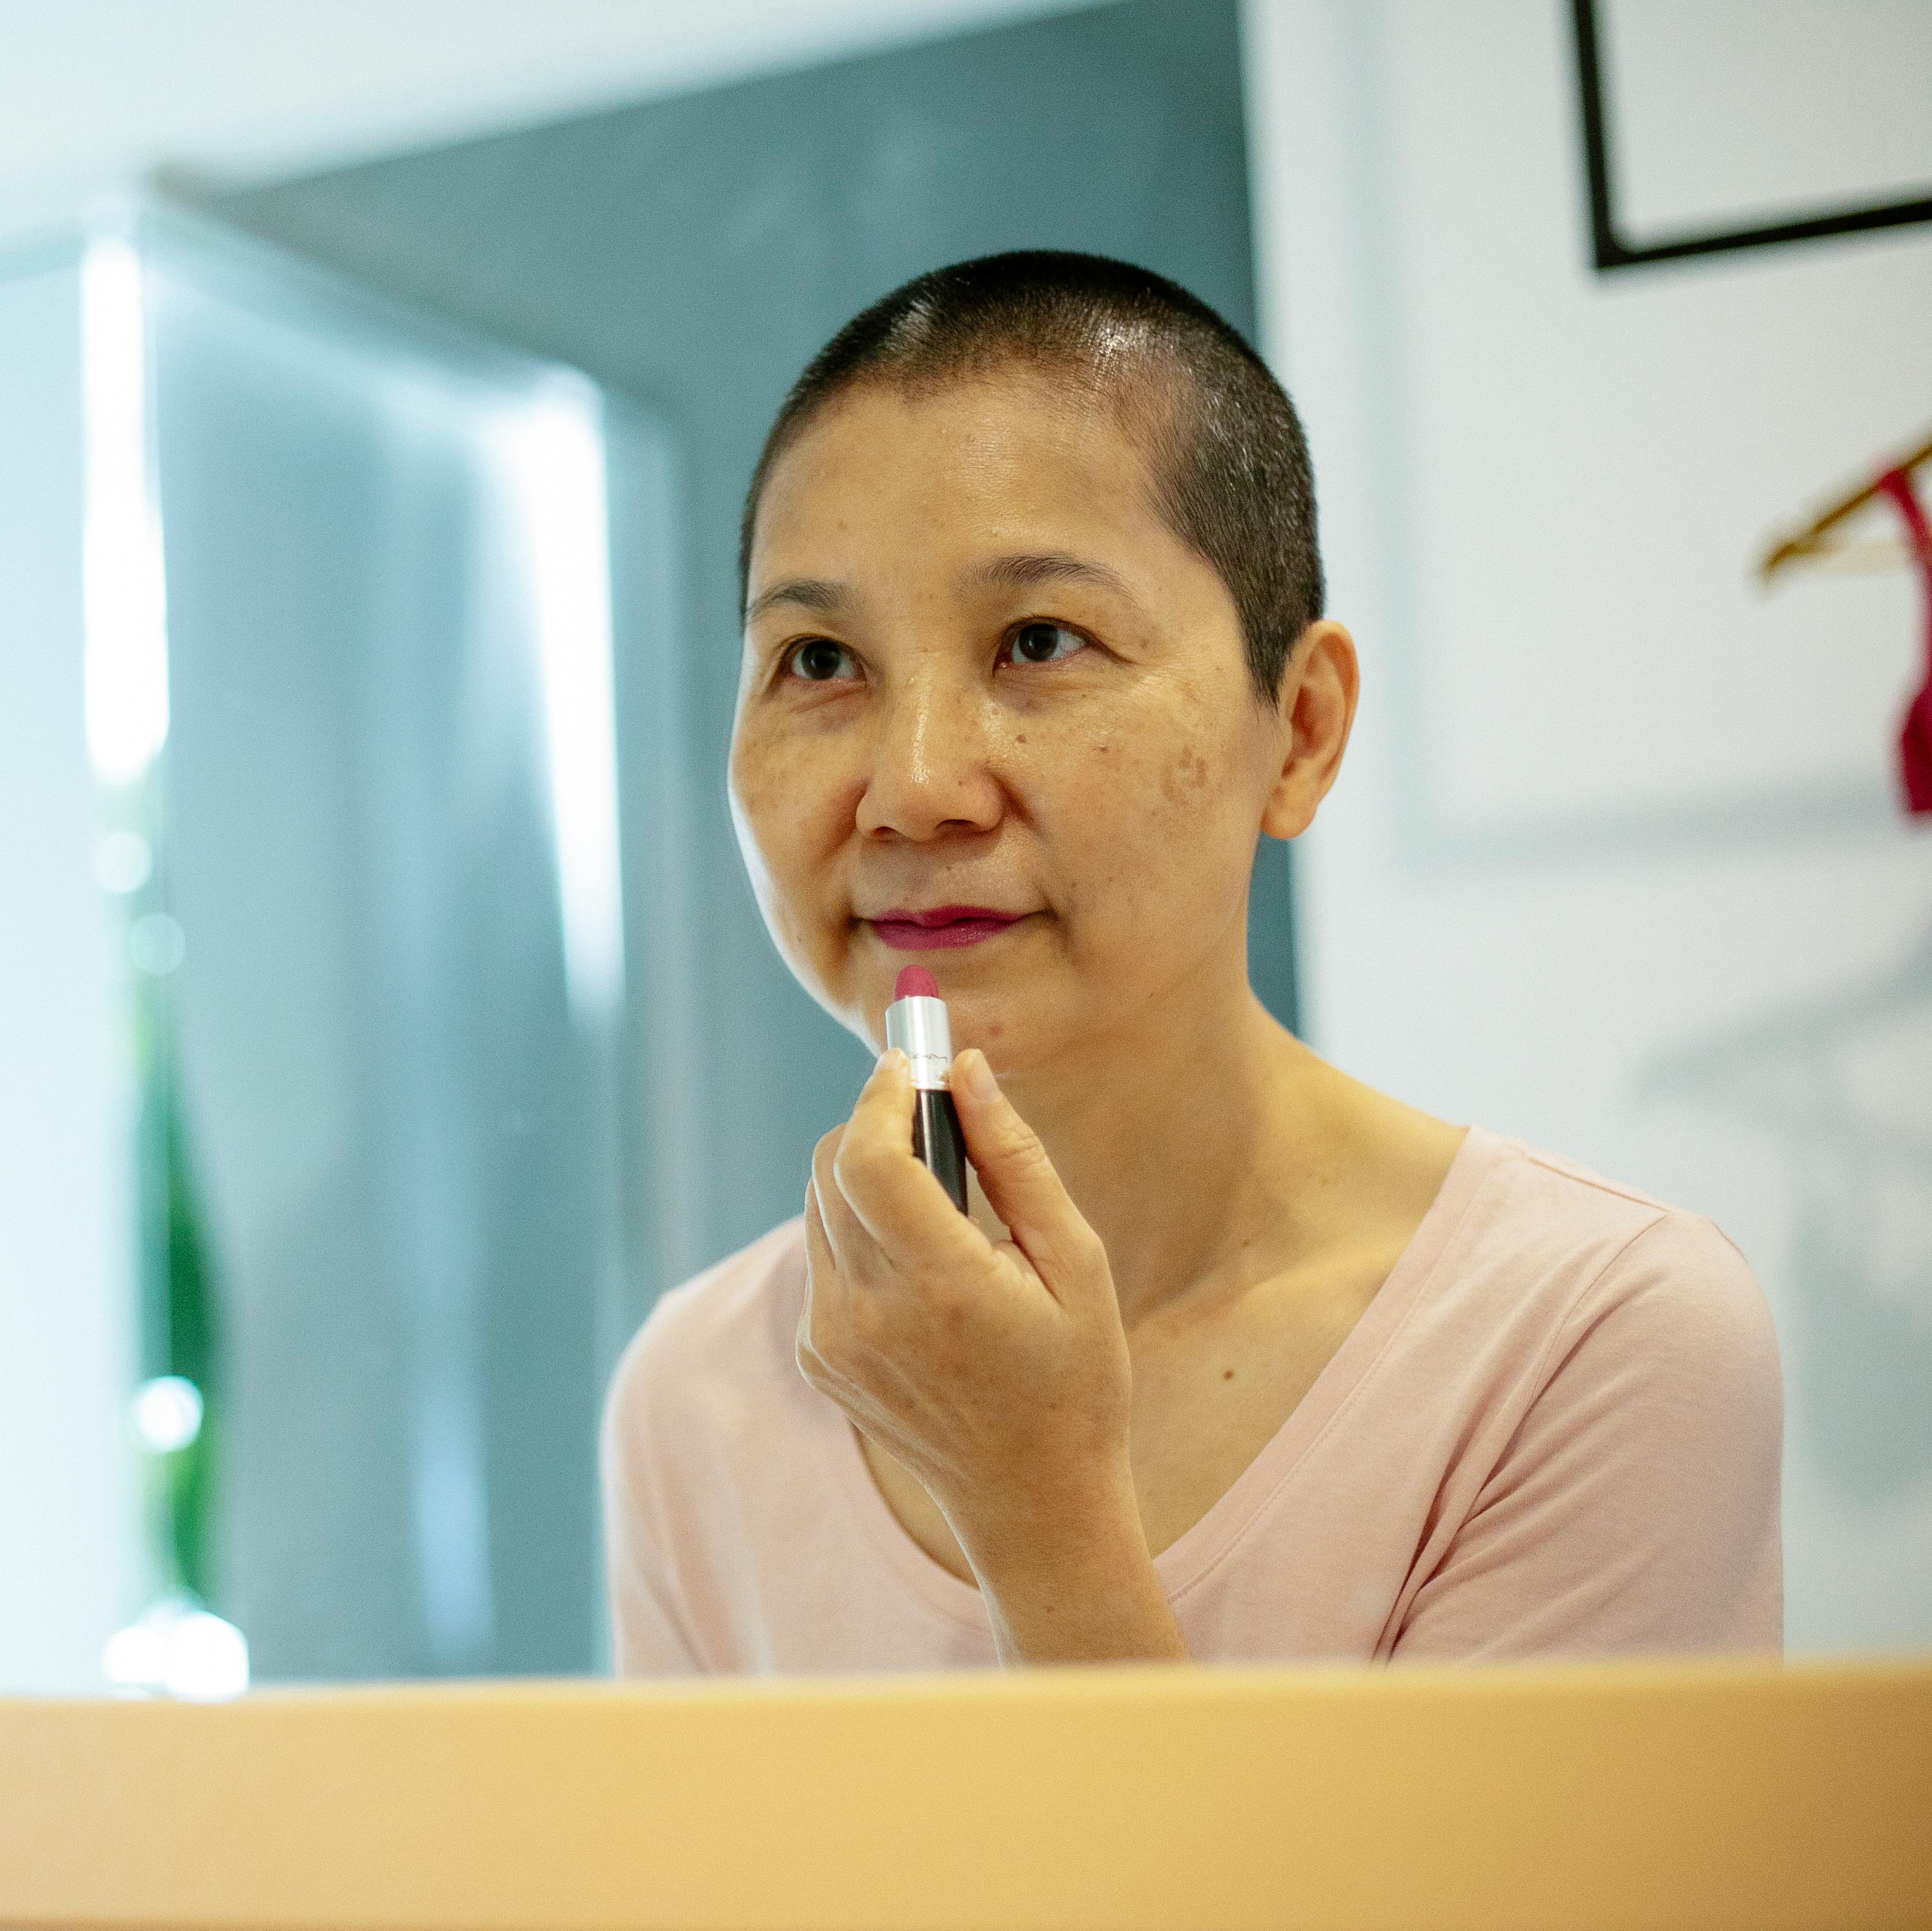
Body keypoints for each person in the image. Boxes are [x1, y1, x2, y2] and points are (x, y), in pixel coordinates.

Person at [602, 252, 1783, 1671]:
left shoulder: (1588, 1338)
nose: (914, 787)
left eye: (1040, 641)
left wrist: (1033, 1510)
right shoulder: (696, 1393)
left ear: (1299, 730)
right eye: (817, 661)